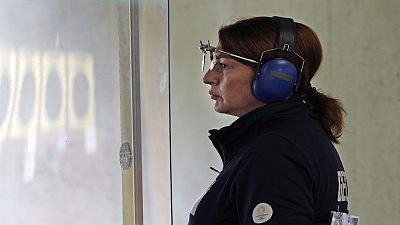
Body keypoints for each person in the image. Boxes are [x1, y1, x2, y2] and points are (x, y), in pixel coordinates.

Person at [189, 16, 349, 225]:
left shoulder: (275, 152)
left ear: (275, 76)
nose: (209, 77)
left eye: (223, 65)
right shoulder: (296, 136)